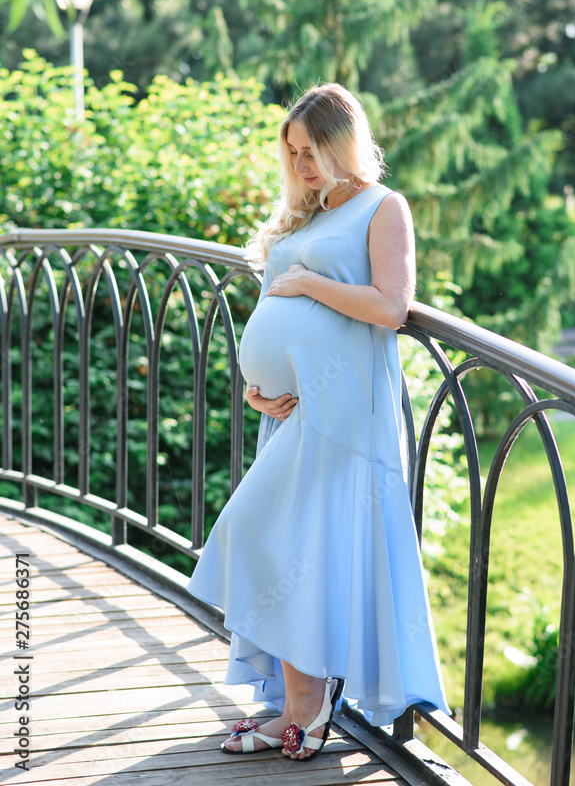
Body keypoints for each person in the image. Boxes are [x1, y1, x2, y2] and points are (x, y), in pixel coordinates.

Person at [186, 83, 448, 761]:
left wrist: (307, 284)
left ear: (343, 143)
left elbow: (392, 307)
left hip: (349, 415)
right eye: (294, 153)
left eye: (313, 152)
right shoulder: (307, 213)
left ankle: (306, 705)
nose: (301, 166)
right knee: (271, 541)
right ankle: (298, 702)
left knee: (292, 547)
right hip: (295, 414)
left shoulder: (382, 208)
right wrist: (260, 387)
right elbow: (280, 315)